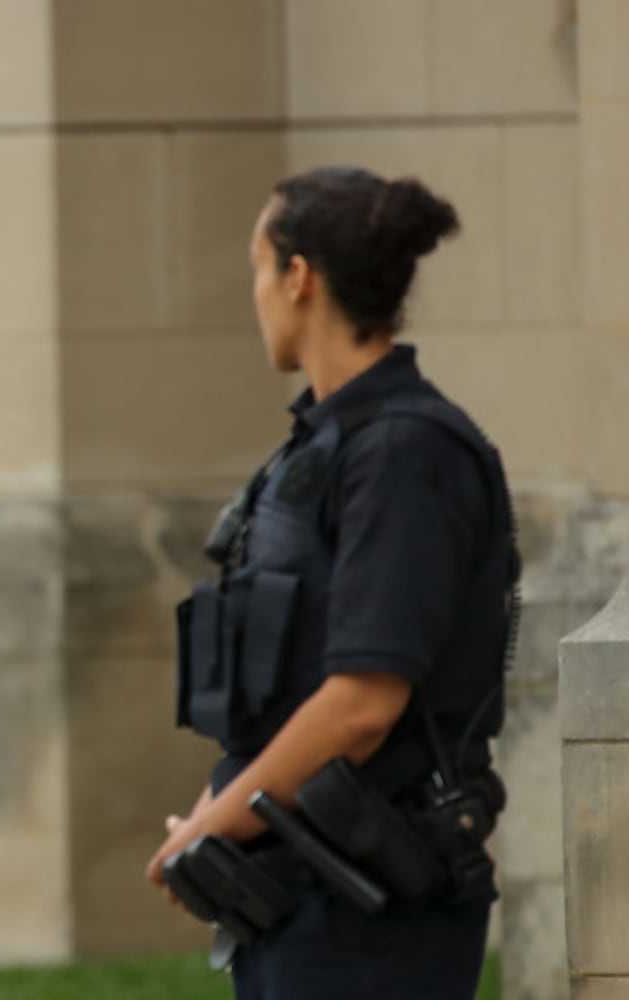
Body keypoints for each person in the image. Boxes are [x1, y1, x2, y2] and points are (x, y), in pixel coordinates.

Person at [145, 166, 517, 999]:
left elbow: (361, 704)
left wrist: (210, 826)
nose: (255, 294)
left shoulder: (403, 452)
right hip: (299, 904)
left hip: (373, 919)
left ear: (298, 277)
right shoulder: (327, 444)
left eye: (255, 267)